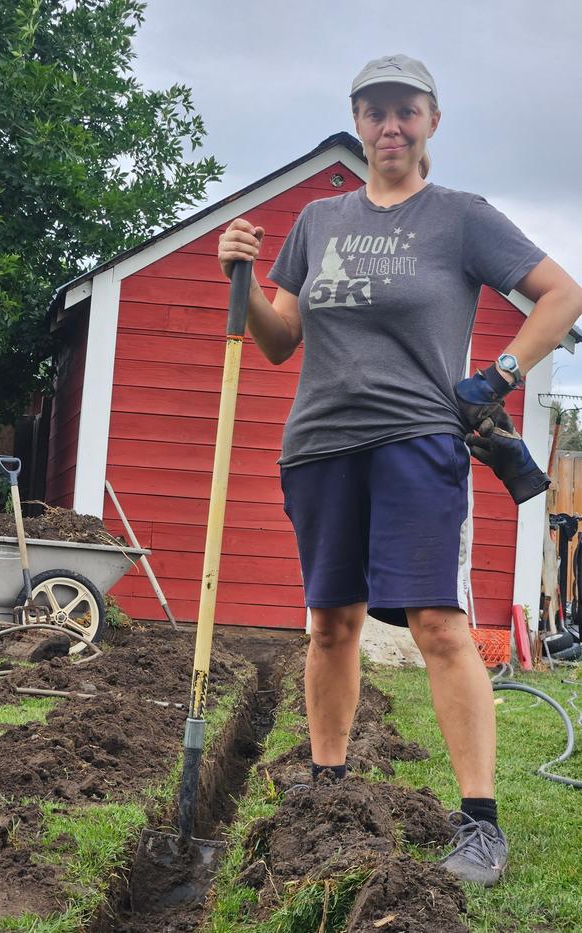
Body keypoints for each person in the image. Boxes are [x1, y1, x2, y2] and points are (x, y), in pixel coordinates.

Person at [217, 53, 582, 888]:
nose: (390, 125)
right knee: (330, 625)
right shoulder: (318, 220)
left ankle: (480, 826)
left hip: (418, 441)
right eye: (375, 110)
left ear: (431, 123)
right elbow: (277, 342)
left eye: (406, 111)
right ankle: (328, 788)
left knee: (439, 626)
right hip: (320, 445)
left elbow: (562, 294)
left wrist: (499, 377)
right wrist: (240, 273)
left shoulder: (460, 217)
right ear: (358, 120)